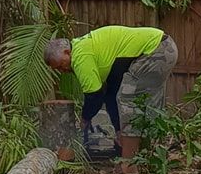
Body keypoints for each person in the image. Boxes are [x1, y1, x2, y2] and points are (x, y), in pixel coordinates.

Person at [44, 24, 177, 161]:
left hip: (156, 51)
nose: (63, 70)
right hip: (164, 47)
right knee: (146, 103)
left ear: (67, 52)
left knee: (128, 99)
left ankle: (129, 165)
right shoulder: (90, 50)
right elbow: (110, 95)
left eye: (61, 65)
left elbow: (94, 96)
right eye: (58, 69)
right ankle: (151, 156)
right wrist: (118, 130)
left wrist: (84, 119)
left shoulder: (80, 57)